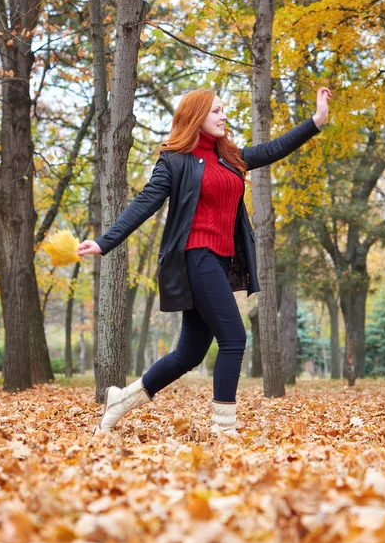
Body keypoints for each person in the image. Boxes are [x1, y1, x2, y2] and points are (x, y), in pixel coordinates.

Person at [78, 87, 331, 437]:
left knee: (188, 354)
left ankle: (121, 400)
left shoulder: (229, 157)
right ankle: (224, 428)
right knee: (233, 339)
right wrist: (105, 243)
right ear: (197, 116)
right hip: (195, 258)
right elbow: (144, 203)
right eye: (216, 111)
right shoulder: (175, 161)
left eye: (223, 110)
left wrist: (315, 121)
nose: (223, 116)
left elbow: (272, 150)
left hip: (220, 263)